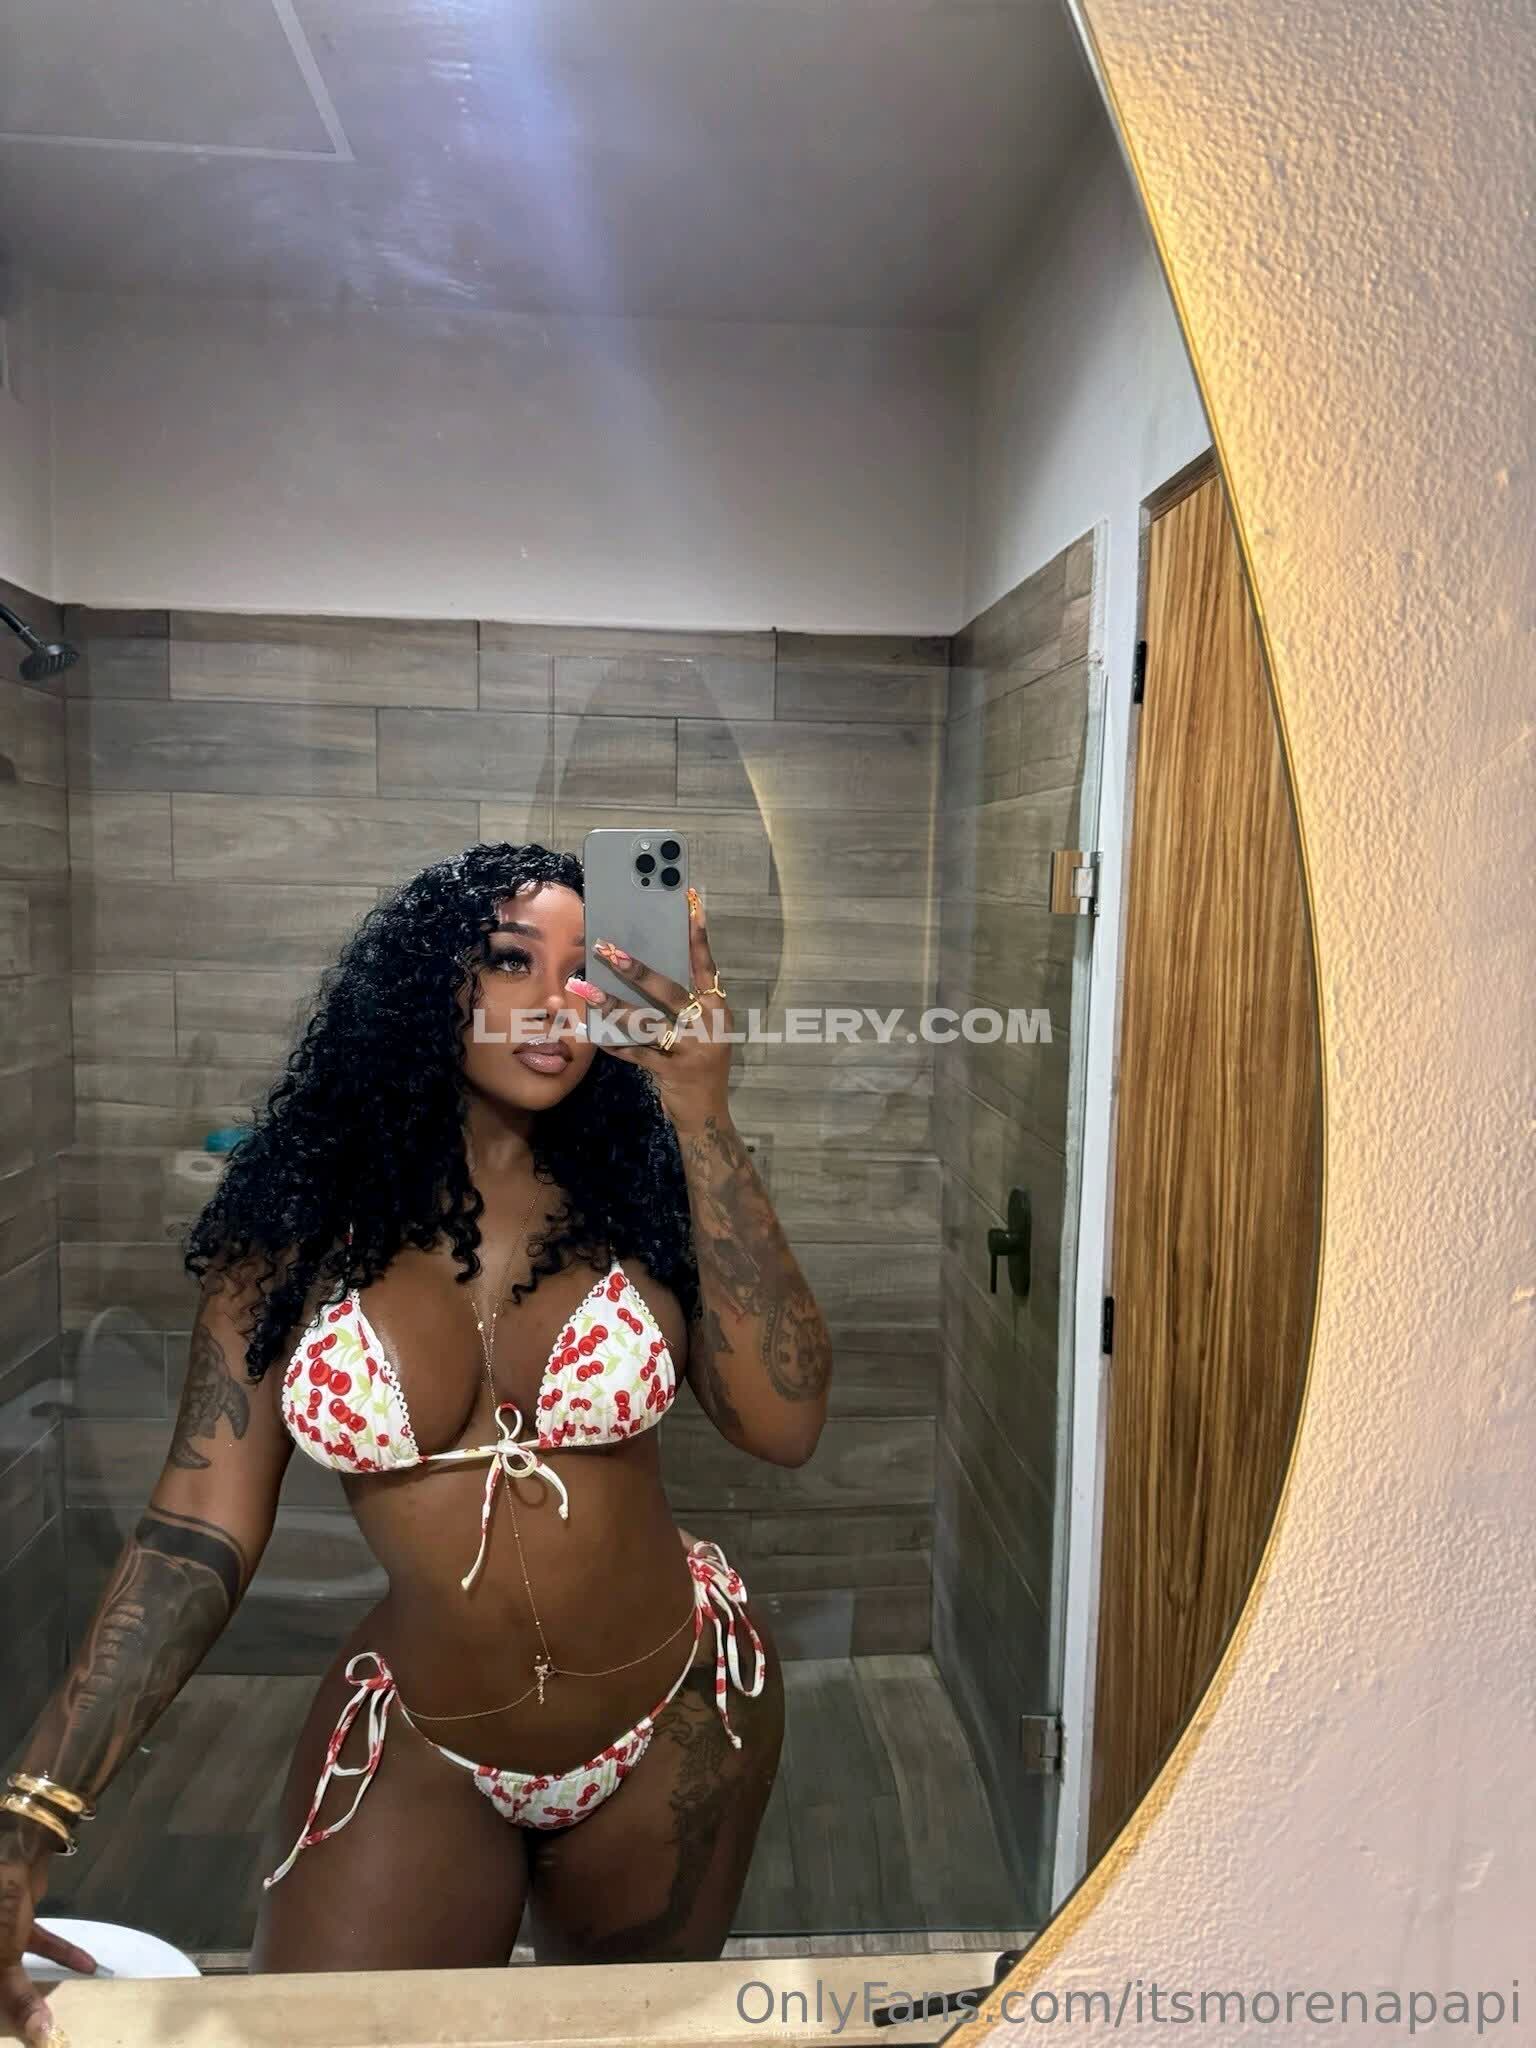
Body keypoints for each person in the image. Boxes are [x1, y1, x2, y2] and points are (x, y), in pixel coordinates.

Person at [0, 842, 830, 2037]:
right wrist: (32, 1813)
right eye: (510, 960)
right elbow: (194, 1528)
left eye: (582, 968)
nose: (553, 1000)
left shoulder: (647, 1190)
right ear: (426, 985)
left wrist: (703, 1112)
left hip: (675, 1710)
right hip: (422, 1736)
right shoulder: (295, 1229)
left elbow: (784, 1425)